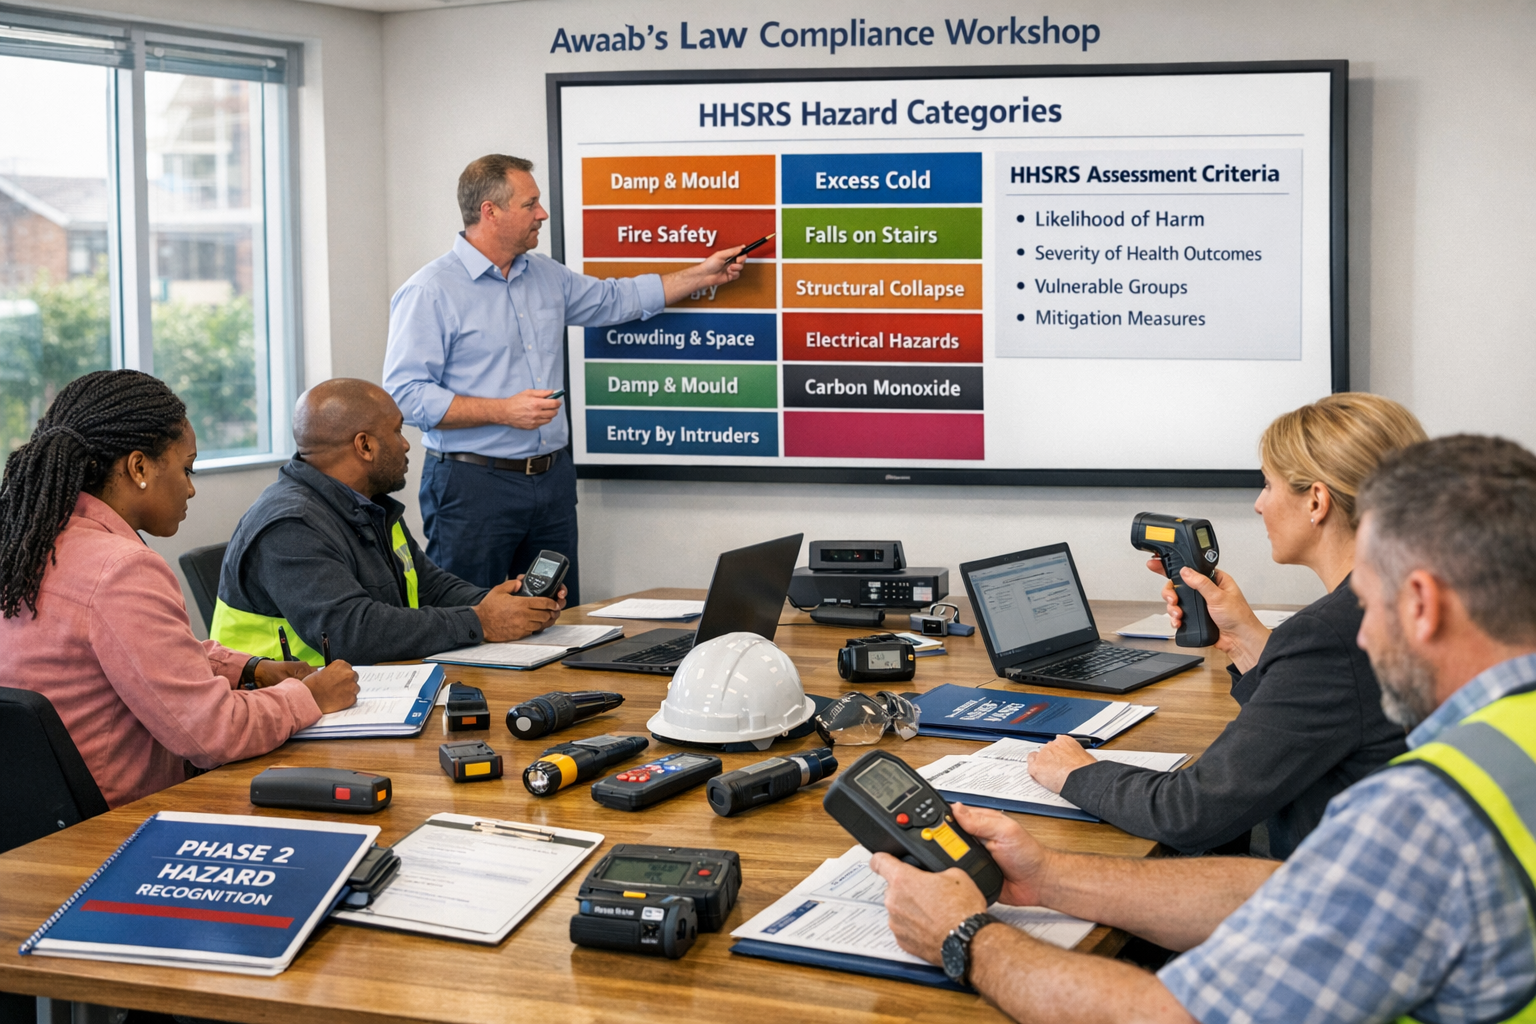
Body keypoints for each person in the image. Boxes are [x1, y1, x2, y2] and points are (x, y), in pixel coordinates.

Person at [874, 434, 1536, 1024]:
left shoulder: (1422, 816)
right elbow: (1300, 892)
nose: (1361, 630)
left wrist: (964, 936)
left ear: (1420, 603)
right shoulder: (1506, 739)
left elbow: (1170, 1014)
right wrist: (1047, 877)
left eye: (1370, 597)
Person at [1027, 393, 1425, 857]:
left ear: (1316, 501)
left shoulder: (1332, 635)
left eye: (1268, 486)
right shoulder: (1409, 599)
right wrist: (1243, 641)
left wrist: (1076, 772)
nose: (1259, 505)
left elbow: (1191, 811)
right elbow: (1327, 718)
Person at [383, 154, 749, 604]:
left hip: (551, 482)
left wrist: (702, 275)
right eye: (530, 204)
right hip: (471, 487)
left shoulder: (545, 275)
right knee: (471, 618)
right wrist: (505, 411)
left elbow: (618, 300)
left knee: (555, 618)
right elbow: (404, 396)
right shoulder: (430, 291)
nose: (542, 214)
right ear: (489, 212)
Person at [0, 371, 358, 808]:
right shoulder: (119, 570)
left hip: (35, 824)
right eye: (186, 468)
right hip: (125, 823)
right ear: (139, 467)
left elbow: (139, 653)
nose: (190, 488)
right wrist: (310, 696)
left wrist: (249, 669)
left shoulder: (28, 544)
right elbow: (212, 734)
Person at [212, 378, 565, 666]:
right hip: (285, 708)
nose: (406, 445)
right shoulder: (291, 525)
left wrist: (509, 603)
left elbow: (430, 588)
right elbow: (350, 632)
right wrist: (482, 621)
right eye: (397, 432)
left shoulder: (368, 505)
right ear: (365, 446)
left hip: (357, 691)